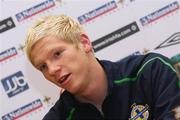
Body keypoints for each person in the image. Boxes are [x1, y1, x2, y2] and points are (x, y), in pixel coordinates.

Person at [24, 14, 180, 120]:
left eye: (57, 54)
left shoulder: (149, 71)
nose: (51, 70)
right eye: (43, 66)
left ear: (84, 43)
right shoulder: (59, 117)